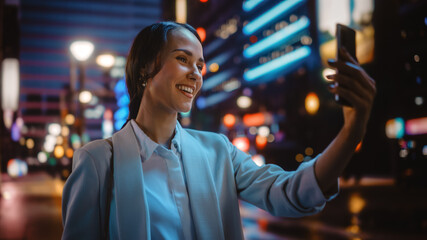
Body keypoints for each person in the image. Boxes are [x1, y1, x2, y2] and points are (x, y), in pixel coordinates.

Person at [62, 21, 376, 240]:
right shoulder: (98, 161)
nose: (196, 74)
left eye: (200, 65)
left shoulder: (218, 151)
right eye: (183, 59)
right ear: (147, 67)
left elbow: (290, 193)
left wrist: (352, 131)